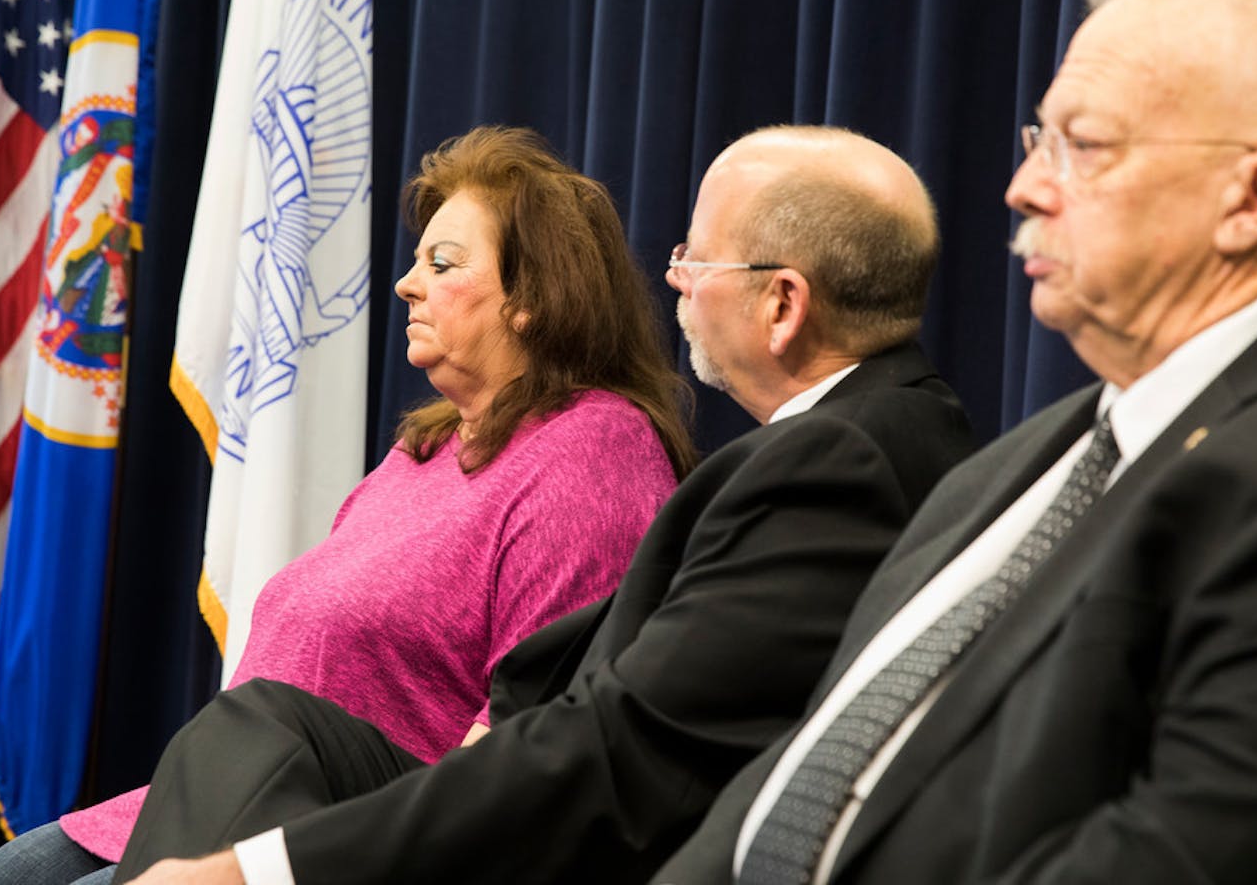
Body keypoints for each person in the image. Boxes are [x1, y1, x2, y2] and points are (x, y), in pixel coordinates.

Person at [107, 125, 976, 884]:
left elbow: (628, 745)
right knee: (250, 731)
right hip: (520, 800)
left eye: (694, 260)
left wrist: (271, 869)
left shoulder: (829, 461)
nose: (672, 282)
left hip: (565, 842)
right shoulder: (883, 436)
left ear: (782, 303)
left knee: (247, 746)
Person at [654, 0, 1257, 885]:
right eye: (1038, 139)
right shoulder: (1014, 467)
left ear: (1254, 199)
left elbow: (1187, 849)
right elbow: (806, 768)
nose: (1023, 189)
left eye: (1081, 146)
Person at [0, 125, 697, 883]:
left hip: (365, 831)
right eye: (416, 261)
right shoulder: (422, 450)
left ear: (533, 298)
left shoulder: (596, 450)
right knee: (14, 872)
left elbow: (540, 730)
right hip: (235, 793)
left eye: (442, 264)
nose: (405, 283)